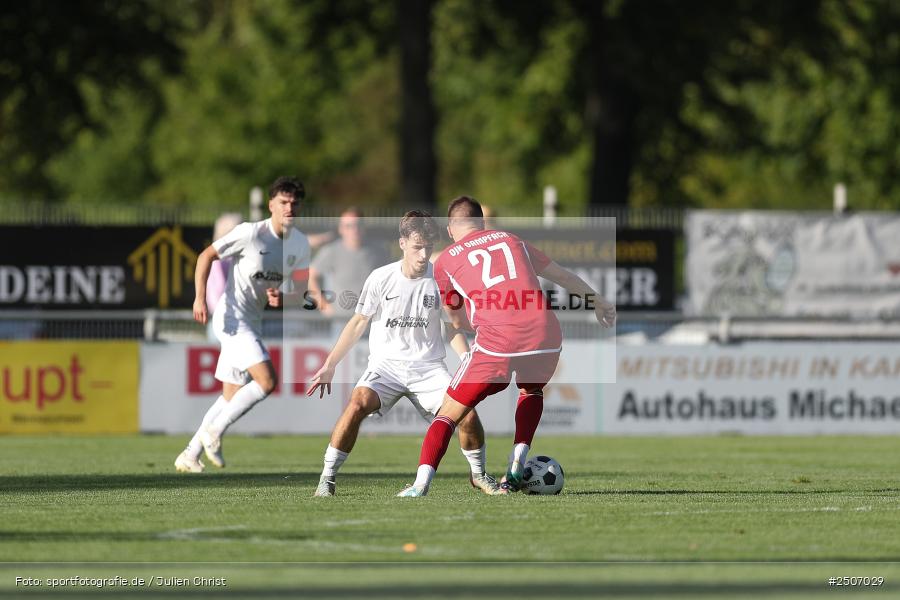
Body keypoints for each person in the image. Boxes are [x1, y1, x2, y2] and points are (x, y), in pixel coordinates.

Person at [397, 196, 616, 496]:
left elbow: (455, 317)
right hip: (546, 335)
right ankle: (517, 463)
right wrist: (599, 302)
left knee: (447, 414)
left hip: (498, 342)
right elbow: (562, 275)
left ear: (450, 229)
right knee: (531, 390)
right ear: (482, 223)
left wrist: (469, 323)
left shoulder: (445, 260)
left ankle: (420, 485)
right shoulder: (514, 240)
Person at [307, 211, 502, 496]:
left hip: (429, 370)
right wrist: (330, 365)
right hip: (386, 368)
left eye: (428, 247)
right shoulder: (381, 277)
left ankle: (479, 475)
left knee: (468, 416)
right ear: (402, 243)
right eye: (417, 247)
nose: (423, 255)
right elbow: (358, 322)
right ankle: (327, 477)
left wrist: (466, 358)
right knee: (357, 402)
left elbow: (451, 329)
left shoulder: (442, 280)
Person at [174, 176, 311, 473]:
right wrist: (199, 298)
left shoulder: (300, 244)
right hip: (231, 318)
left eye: (294, 203)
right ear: (271, 204)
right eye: (284, 202)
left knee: (231, 395)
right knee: (267, 381)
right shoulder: (251, 234)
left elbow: (300, 294)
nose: (290, 208)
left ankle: (190, 453)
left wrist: (282, 299)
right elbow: (206, 255)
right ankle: (215, 432)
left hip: (254, 320)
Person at [307, 208, 389, 318]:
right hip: (341, 322)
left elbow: (391, 280)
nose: (354, 230)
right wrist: (324, 306)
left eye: (358, 225)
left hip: (372, 321)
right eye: (348, 226)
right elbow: (310, 276)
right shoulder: (331, 251)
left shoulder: (379, 251)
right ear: (341, 229)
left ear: (364, 227)